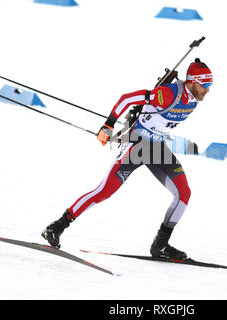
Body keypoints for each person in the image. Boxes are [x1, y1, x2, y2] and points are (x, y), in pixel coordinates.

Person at [42, 58, 213, 259]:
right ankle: (57, 226)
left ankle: (161, 245)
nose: (207, 90)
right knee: (104, 191)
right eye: (205, 85)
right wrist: (108, 125)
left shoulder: (193, 97)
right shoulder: (168, 94)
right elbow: (127, 99)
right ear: (192, 81)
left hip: (156, 148)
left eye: (210, 85)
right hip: (136, 145)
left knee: (184, 193)